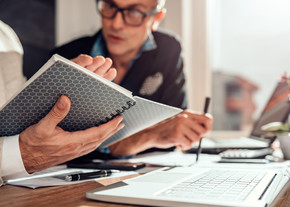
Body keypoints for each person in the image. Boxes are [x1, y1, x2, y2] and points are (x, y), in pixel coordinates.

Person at [0, 0, 124, 188]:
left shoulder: (5, 38)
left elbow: (15, 120)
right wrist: (22, 155)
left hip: (7, 193)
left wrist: (55, 89)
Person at [54, 0, 213, 157]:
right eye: (110, 6)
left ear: (156, 18)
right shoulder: (65, 57)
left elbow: (172, 134)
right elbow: (56, 146)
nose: (116, 24)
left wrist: (169, 132)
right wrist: (152, 135)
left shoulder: (168, 49)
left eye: (134, 12)